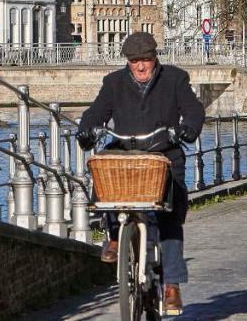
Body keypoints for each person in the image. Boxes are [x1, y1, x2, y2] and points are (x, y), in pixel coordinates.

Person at [77, 32, 205, 316]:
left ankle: (172, 285)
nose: (140, 67)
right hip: (126, 153)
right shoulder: (113, 83)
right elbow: (95, 112)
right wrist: (86, 129)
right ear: (127, 62)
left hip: (163, 154)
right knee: (103, 165)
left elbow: (194, 109)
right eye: (134, 61)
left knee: (169, 214)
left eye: (145, 60)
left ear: (155, 57)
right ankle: (113, 234)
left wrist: (189, 128)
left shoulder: (175, 79)